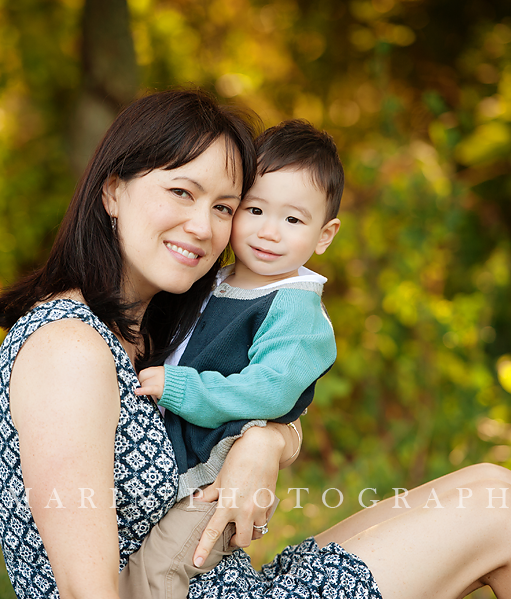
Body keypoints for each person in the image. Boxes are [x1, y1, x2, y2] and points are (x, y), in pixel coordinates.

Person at [0, 88, 511, 599]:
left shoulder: (148, 331)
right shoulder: (69, 349)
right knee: (497, 514)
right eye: (181, 191)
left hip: (231, 584)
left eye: (223, 205)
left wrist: (266, 441)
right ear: (113, 190)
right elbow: (83, 589)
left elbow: (271, 405)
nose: (203, 225)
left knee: (495, 486)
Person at [125, 120, 344, 599]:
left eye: (293, 220)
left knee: (158, 572)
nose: (269, 232)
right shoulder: (215, 279)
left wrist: (182, 388)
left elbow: (271, 390)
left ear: (324, 235)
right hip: (183, 457)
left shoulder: (294, 305)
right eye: (255, 209)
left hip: (219, 470)